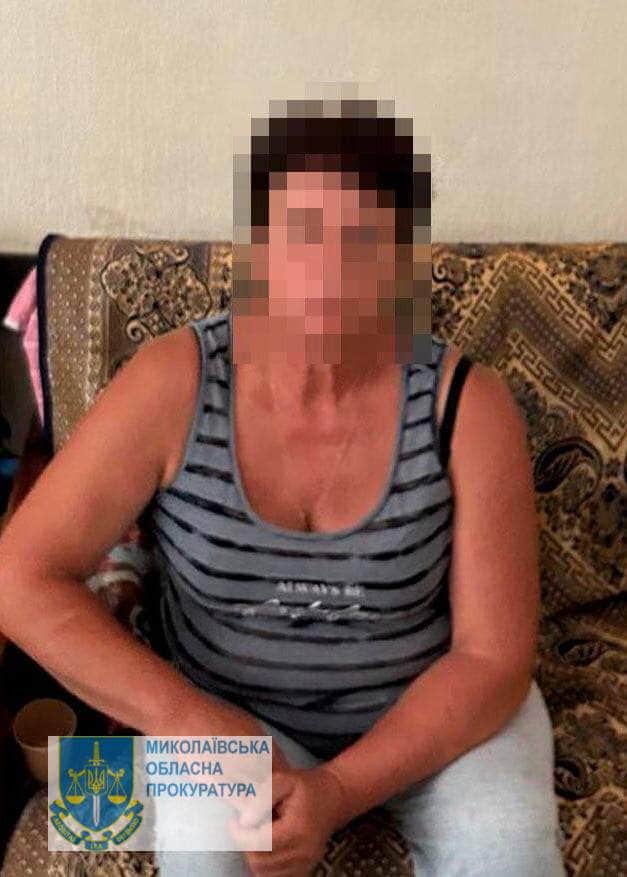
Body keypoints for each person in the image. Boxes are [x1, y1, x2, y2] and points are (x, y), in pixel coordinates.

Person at [0, 105, 565, 876]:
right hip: (228, 716)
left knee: (507, 853)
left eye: (363, 241)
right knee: (204, 854)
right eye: (301, 234)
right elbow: (19, 575)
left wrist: (337, 790)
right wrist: (192, 722)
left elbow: (492, 657)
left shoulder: (467, 404)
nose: (327, 272)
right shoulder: (174, 382)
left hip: (433, 718)